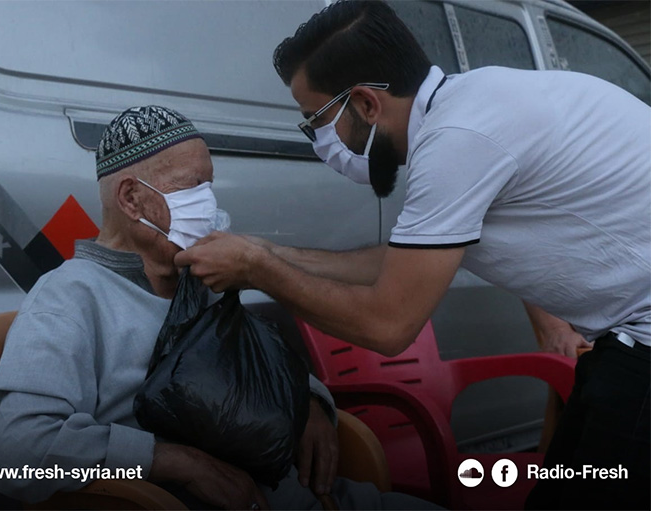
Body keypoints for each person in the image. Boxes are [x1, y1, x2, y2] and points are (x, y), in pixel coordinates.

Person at [173, 1, 651, 510]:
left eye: (316, 119)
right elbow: (394, 263)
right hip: (626, 343)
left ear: (364, 103)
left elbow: (388, 324)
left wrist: (257, 269)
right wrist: (266, 249)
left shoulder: (458, 141)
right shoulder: (474, 105)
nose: (318, 139)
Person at [0, 105, 436, 510]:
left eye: (209, 185)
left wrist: (311, 404)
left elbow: (260, 365)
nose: (208, 202)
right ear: (130, 198)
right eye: (190, 187)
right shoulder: (70, 298)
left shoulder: (201, 281)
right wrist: (180, 463)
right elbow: (19, 453)